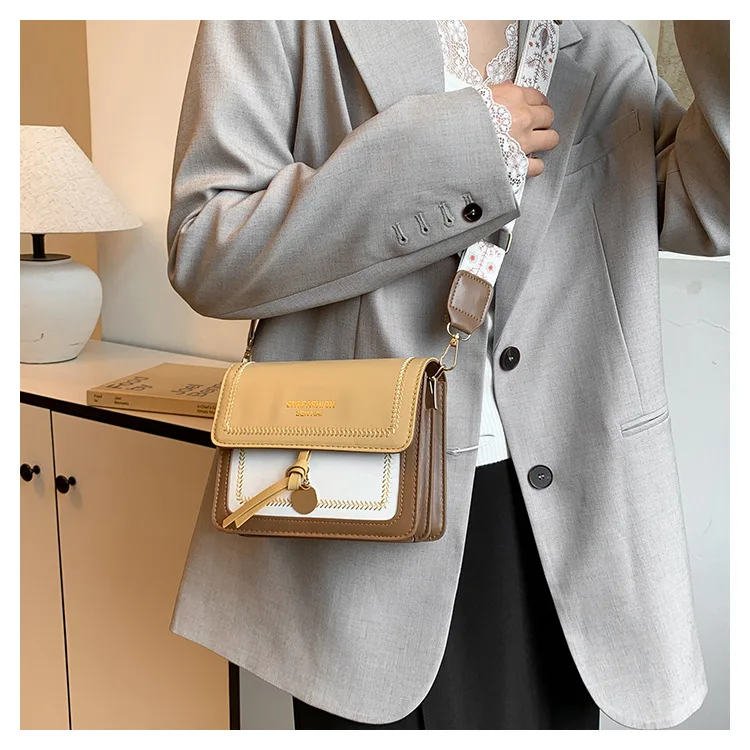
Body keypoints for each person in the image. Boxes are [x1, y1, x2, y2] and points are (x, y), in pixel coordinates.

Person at [166, 20, 729, 730]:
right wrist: (452, 151)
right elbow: (206, 249)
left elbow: (712, 213)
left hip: (568, 520)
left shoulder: (597, 38)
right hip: (361, 502)